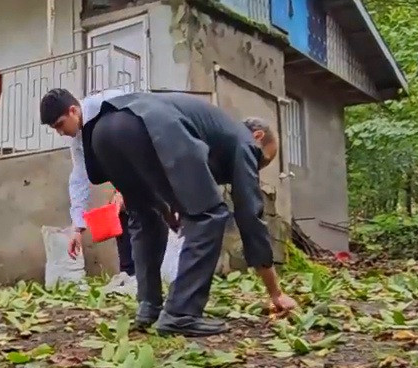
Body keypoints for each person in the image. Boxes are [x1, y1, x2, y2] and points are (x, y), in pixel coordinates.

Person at [77, 92, 297, 335]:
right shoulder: (244, 141)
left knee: (146, 217)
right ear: (258, 136)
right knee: (210, 215)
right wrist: (275, 292)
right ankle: (181, 314)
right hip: (147, 126)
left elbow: (167, 175)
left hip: (103, 131)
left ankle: (149, 306)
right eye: (261, 161)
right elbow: (249, 215)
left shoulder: (213, 128)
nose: (255, 168)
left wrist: (169, 206)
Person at [39, 87, 137, 296]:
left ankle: (142, 279)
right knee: (120, 211)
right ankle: (130, 275)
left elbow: (133, 146)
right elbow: (79, 178)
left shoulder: (110, 105)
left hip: (154, 156)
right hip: (130, 173)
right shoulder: (79, 140)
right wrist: (77, 227)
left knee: (136, 210)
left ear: (73, 111)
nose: (60, 132)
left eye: (60, 125)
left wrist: (126, 189)